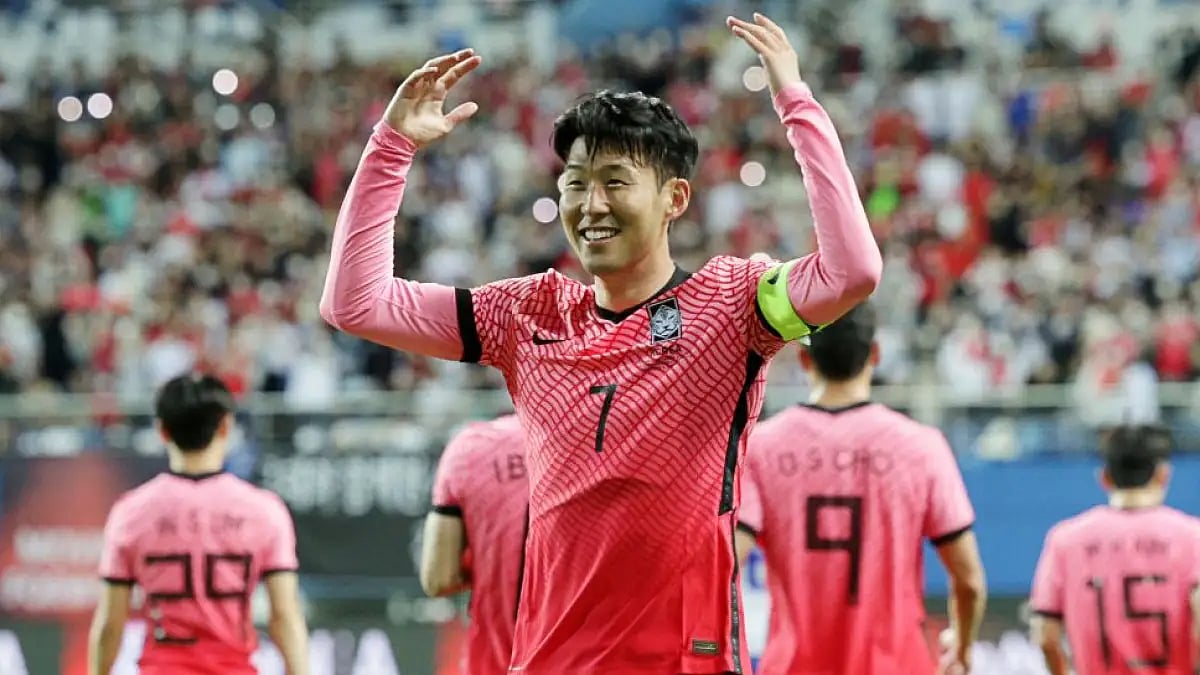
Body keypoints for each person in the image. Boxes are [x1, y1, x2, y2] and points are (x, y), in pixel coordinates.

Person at [320, 12, 881, 673]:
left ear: (674, 198)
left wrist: (795, 101)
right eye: (575, 182)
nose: (590, 204)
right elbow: (354, 303)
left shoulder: (733, 305)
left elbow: (852, 271)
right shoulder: (525, 313)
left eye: (615, 181)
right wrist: (391, 146)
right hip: (549, 661)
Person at [735, 304, 986, 675]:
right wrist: (961, 649)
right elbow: (969, 580)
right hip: (896, 665)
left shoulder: (760, 447)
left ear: (805, 359)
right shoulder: (921, 447)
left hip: (793, 666)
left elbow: (725, 566)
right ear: (875, 355)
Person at [88, 374, 308, 675]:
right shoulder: (264, 511)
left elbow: (111, 623)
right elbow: (284, 616)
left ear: (162, 431)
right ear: (226, 427)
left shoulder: (131, 512)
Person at [1029, 425, 1200, 675]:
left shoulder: (1065, 539)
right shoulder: (1192, 537)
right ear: (1163, 475)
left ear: (1104, 477)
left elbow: (1045, 635)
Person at [421, 414, 528, 675]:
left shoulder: (471, 447)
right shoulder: (613, 444)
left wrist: (488, 562)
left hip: (496, 663)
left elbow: (438, 577)